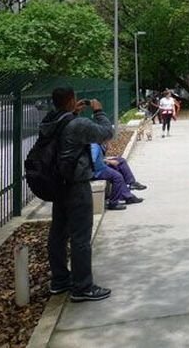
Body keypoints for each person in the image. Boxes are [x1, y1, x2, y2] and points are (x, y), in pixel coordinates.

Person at [44, 87, 113, 302]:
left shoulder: (50, 121)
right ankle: (82, 287)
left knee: (58, 233)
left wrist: (73, 113)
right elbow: (106, 133)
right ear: (72, 100)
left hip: (58, 184)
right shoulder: (78, 125)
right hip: (76, 184)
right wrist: (99, 112)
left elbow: (65, 139)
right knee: (80, 236)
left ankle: (60, 280)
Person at [91, 142, 145, 210]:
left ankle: (131, 184)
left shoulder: (98, 143)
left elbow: (100, 157)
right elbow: (92, 160)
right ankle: (113, 203)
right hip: (98, 171)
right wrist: (109, 161)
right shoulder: (94, 145)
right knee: (117, 177)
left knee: (121, 161)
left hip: (101, 166)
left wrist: (106, 147)